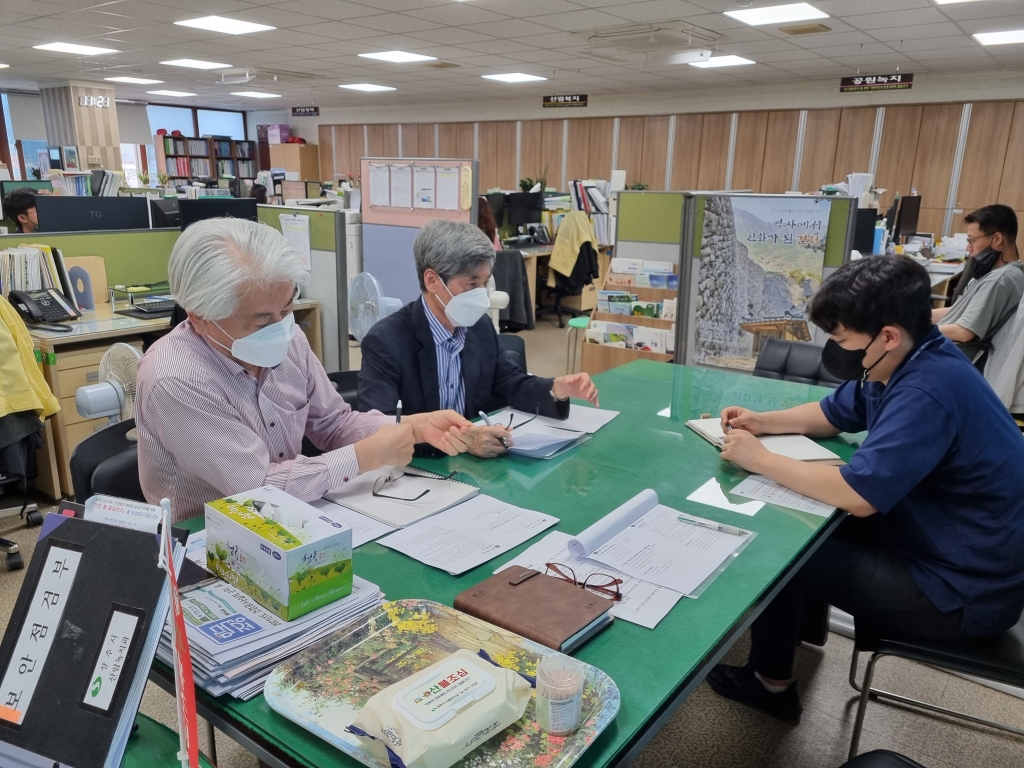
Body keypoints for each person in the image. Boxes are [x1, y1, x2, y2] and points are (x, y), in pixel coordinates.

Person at [707, 255, 1024, 721]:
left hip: (958, 594)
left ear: (887, 335)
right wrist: (763, 423)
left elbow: (859, 496)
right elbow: (835, 412)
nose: (835, 348)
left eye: (840, 338)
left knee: (778, 556)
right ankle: (789, 644)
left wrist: (761, 459)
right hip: (940, 547)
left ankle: (770, 686)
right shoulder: (911, 357)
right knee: (799, 520)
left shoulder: (926, 390)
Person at [136, 218, 471, 523]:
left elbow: (333, 423)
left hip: (294, 516)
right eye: (262, 319)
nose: (282, 327)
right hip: (210, 540)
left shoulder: (289, 340)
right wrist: (364, 456)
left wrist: (413, 426)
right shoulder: (175, 379)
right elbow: (258, 488)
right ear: (199, 316)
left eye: (287, 308)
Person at [358, 219, 599, 458]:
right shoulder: (386, 341)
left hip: (476, 469)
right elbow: (380, 430)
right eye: (471, 284)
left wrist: (557, 388)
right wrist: (464, 440)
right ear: (432, 281)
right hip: (417, 471)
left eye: (484, 283)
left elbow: (509, 382)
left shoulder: (478, 326)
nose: (480, 295)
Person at [932, 204, 1023, 343]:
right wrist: (914, 317)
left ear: (997, 239)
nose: (968, 248)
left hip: (951, 354)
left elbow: (963, 332)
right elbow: (957, 310)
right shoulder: (992, 272)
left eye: (972, 240)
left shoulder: (999, 280)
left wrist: (916, 330)